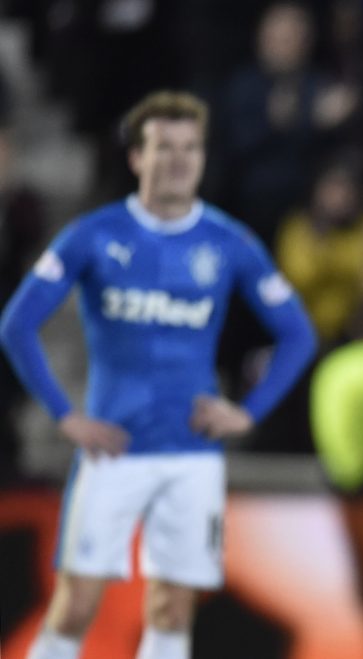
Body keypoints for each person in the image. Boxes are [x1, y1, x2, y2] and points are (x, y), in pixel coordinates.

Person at [0, 90, 317, 659]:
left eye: (190, 148)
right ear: (136, 159)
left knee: (172, 608)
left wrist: (248, 411)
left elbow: (299, 334)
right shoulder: (94, 235)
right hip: (113, 450)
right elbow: (16, 325)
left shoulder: (229, 242)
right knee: (76, 602)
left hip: (191, 454)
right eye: (164, 147)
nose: (178, 160)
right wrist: (63, 414)